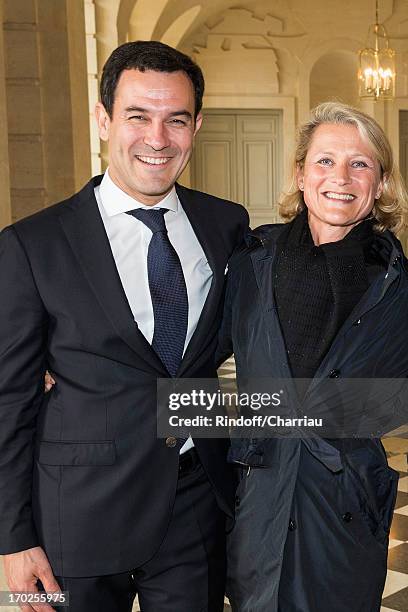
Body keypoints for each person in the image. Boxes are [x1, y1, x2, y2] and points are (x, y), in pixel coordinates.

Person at [0, 40, 249, 612]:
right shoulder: (34, 245)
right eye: (138, 116)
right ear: (104, 118)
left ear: (196, 126)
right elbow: (10, 402)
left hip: (195, 502)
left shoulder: (226, 225)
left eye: (175, 120)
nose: (157, 139)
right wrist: (14, 539)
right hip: (77, 511)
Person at [217, 102, 408, 611]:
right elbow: (193, 353)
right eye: (324, 161)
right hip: (260, 491)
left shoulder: (397, 283)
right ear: (301, 175)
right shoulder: (252, 262)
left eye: (360, 163)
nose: (340, 177)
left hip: (344, 500)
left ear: (381, 183)